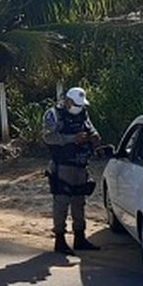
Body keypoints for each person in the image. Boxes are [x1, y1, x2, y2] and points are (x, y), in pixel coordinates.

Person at [43, 87, 102, 255]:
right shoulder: (54, 114)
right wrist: (71, 139)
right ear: (68, 101)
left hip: (80, 164)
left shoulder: (82, 112)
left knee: (79, 202)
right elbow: (48, 137)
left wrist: (94, 138)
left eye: (81, 105)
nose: (79, 108)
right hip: (62, 165)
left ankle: (80, 238)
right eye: (76, 104)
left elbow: (90, 128)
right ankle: (60, 240)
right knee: (61, 203)